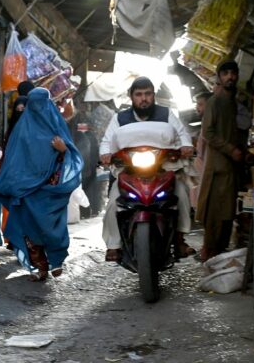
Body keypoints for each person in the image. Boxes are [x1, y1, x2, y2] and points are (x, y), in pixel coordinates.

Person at [99, 77, 195, 262]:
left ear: (153, 95)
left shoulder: (167, 114)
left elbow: (182, 135)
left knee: (181, 192)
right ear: (131, 97)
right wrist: (105, 154)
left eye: (148, 94)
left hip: (163, 168)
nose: (144, 99)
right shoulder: (119, 118)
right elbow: (106, 141)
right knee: (113, 201)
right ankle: (114, 245)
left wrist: (186, 146)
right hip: (130, 169)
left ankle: (180, 238)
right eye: (139, 94)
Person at [0, 87, 84, 281]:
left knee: (51, 225)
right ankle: (40, 267)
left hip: (51, 187)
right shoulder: (22, 130)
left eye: (42, 103)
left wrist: (63, 149)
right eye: (34, 104)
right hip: (27, 188)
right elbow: (13, 158)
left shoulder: (57, 127)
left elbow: (72, 154)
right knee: (29, 227)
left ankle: (56, 259)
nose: (38, 108)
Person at [195, 60, 243, 261]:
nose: (230, 77)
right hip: (217, 168)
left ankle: (218, 257)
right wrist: (231, 149)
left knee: (226, 214)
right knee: (214, 215)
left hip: (230, 168)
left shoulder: (233, 103)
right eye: (225, 73)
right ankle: (209, 256)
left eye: (233, 73)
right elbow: (208, 133)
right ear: (219, 77)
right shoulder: (215, 101)